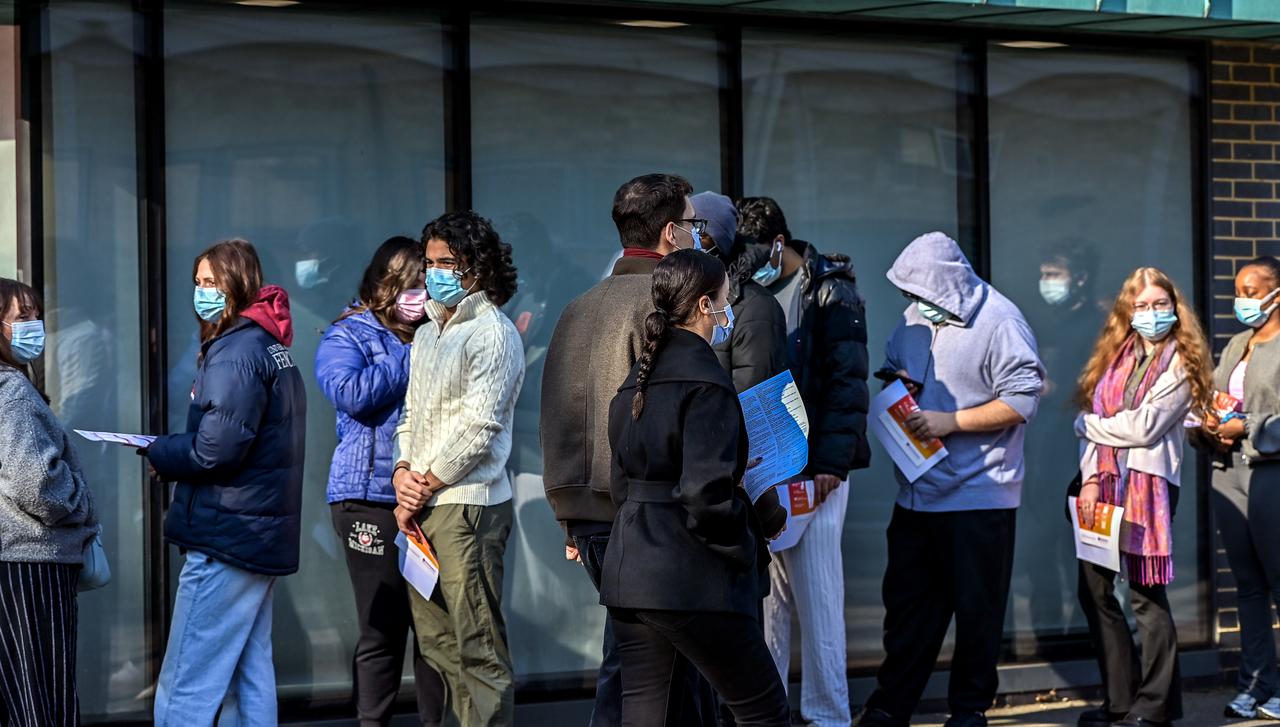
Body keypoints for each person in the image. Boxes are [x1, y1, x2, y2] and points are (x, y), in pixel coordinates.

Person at [540, 173, 714, 727]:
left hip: (586, 514)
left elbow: (557, 417)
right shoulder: (665, 307)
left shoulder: (577, 306)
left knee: (639, 661)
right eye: (691, 225)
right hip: (647, 516)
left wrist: (567, 516)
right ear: (670, 232)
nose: (695, 235)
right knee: (654, 673)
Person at [858, 231, 1043, 727]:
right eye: (908, 296)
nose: (914, 305)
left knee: (977, 612)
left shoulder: (1000, 320)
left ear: (948, 286)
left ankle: (968, 712)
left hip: (979, 495)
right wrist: (899, 387)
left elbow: (1024, 400)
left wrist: (951, 422)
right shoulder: (915, 319)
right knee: (906, 610)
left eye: (921, 295)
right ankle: (889, 708)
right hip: (917, 494)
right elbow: (895, 367)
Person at [602, 249, 790, 727]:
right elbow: (707, 497)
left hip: (630, 571)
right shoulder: (706, 382)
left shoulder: (634, 385)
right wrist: (744, 546)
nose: (730, 310)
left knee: (647, 713)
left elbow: (621, 484)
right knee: (763, 709)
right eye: (726, 299)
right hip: (690, 574)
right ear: (706, 306)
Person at [144, 239, 306, 725]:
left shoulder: (236, 351)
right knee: (247, 674)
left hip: (227, 533)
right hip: (255, 535)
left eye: (211, 282)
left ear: (237, 284)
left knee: (186, 681)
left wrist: (159, 451)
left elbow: (215, 450)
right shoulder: (267, 346)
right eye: (197, 282)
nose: (202, 292)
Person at [737, 196, 870, 727]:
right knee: (769, 603)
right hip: (769, 471)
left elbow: (847, 382)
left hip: (816, 471)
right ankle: (770, 714)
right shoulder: (749, 290)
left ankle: (827, 715)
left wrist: (831, 466)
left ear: (779, 242)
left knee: (819, 598)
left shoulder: (829, 291)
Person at [391, 211, 524, 727]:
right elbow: (411, 412)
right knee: (438, 645)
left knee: (479, 648)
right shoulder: (427, 333)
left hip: (468, 504)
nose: (434, 273)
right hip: (422, 505)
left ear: (477, 267)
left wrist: (423, 485)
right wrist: (403, 470)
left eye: (447, 263)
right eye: (429, 263)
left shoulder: (493, 332)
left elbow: (480, 427)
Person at [1072, 268, 1212, 727]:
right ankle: (1120, 700)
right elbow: (1101, 421)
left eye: (1159, 304)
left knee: (1145, 597)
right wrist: (1090, 477)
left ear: (1175, 308)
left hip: (1147, 488)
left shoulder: (1182, 362)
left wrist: (1089, 425)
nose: (1152, 314)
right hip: (1102, 485)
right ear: (1127, 313)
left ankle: (1152, 708)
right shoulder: (1115, 359)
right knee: (1094, 589)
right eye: (1142, 306)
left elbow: (1145, 426)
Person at [315, 236, 445, 727]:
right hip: (367, 500)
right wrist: (411, 354)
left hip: (428, 497)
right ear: (386, 286)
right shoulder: (347, 334)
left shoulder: (437, 331)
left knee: (434, 632)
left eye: (426, 286)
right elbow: (350, 394)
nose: (421, 296)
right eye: (412, 286)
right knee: (382, 629)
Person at [0, 278, 99, 727]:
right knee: (43, 697)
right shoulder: (13, 393)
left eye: (36, 315)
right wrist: (81, 503)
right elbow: (36, 483)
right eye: (22, 317)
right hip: (30, 563)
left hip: (13, 559)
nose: (34, 326)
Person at [1201, 257, 1280, 721]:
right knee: (1247, 588)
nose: (1242, 300)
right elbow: (1215, 397)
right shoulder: (1235, 344)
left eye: (1253, 291)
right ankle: (1255, 685)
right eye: (1239, 291)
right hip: (1227, 471)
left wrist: (1245, 427)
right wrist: (1209, 422)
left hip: (1270, 473)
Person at [691, 191, 788, 393]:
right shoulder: (676, 298)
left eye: (701, 233)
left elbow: (753, 400)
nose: (690, 240)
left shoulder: (757, 307)